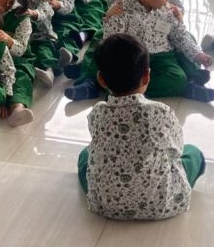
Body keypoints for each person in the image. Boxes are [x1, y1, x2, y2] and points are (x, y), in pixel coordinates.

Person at [78, 34, 205, 221]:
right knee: (193, 153)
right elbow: (177, 150)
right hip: (160, 205)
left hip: (106, 205)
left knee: (85, 155)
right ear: (147, 76)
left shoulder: (97, 112)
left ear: (101, 80)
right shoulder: (160, 112)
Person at [97, 0, 214, 102]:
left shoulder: (168, 10)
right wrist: (109, 19)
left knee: (180, 71)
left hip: (162, 57)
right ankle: (127, 90)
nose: (167, 0)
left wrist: (198, 55)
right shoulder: (121, 9)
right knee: (175, 79)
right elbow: (112, 42)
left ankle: (129, 90)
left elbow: (180, 36)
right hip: (132, 59)